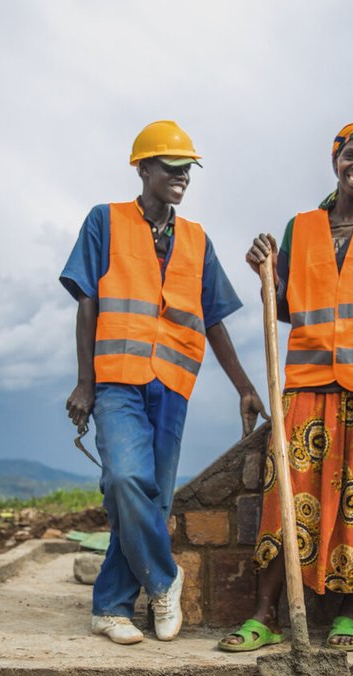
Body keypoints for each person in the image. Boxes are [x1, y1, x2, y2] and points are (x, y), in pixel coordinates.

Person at [220, 121, 353, 653]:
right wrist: (264, 272)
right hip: (309, 382)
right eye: (352, 156)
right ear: (335, 159)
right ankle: (266, 615)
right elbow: (285, 306)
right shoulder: (302, 227)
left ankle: (350, 619)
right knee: (286, 499)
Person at [61, 120, 265, 646]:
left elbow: (214, 317)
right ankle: (165, 577)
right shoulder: (104, 221)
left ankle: (110, 607)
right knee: (125, 482)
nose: (182, 177)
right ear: (143, 168)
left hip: (172, 383)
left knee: (152, 501)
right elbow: (88, 302)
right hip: (116, 381)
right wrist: (84, 382)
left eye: (188, 169)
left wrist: (243, 385)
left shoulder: (197, 239)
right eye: (171, 168)